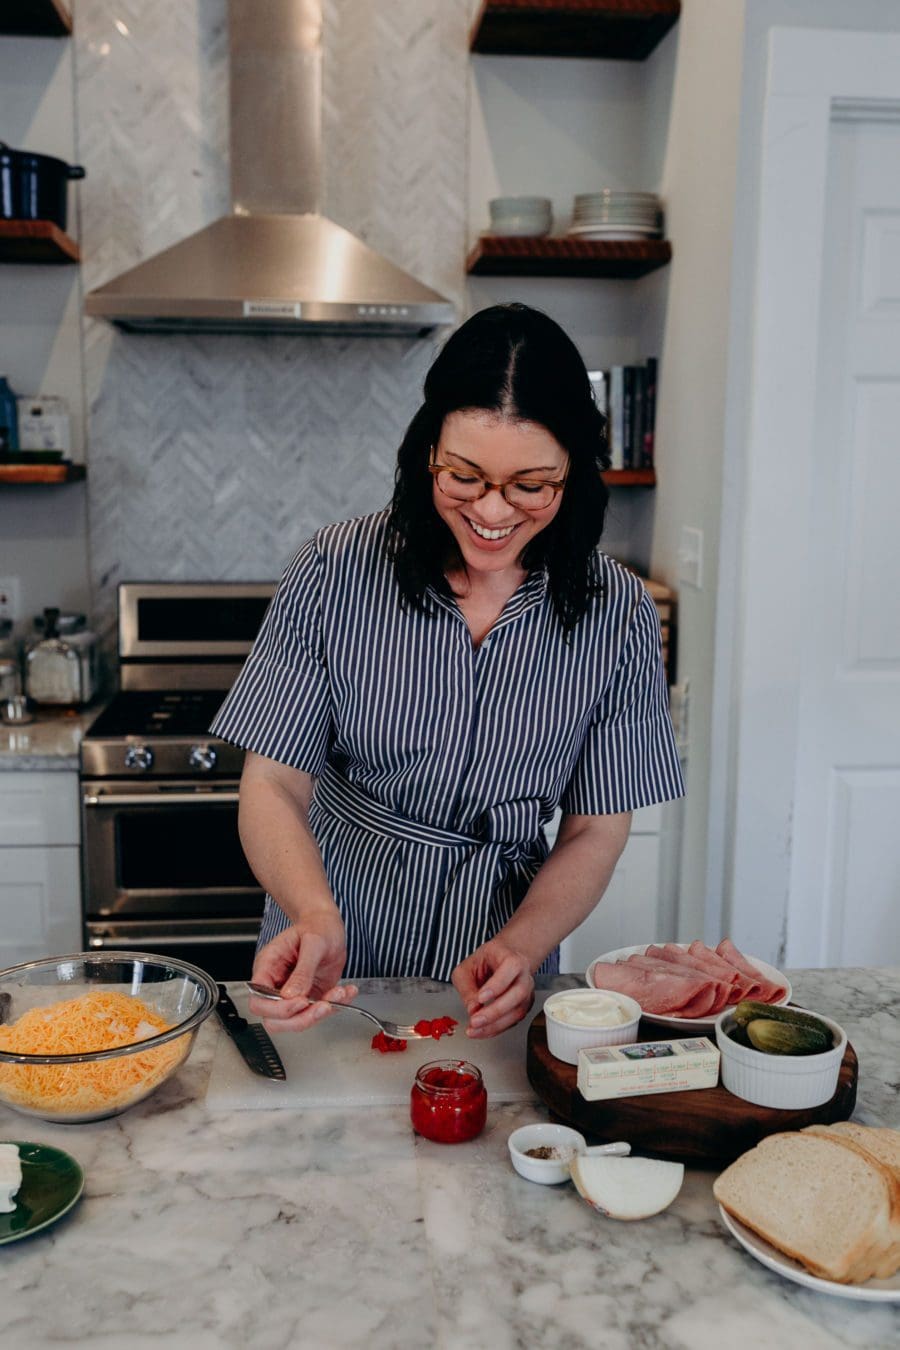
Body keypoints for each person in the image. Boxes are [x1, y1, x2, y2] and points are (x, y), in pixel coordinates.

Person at [210, 303, 684, 1039]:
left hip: (499, 959)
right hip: (337, 940)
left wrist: (522, 947)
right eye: (463, 475)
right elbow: (273, 783)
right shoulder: (335, 569)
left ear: (573, 474)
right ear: (427, 450)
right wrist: (312, 912)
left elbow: (594, 828)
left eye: (531, 484)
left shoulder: (616, 612)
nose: (492, 511)